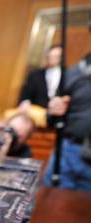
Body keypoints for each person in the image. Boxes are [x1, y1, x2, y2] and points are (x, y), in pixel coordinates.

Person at [42, 52, 91, 191]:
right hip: (68, 151)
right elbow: (51, 119)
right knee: (50, 203)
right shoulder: (75, 72)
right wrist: (53, 110)